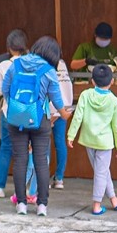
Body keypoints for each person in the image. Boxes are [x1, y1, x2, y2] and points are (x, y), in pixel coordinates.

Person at [1, 35, 65, 217]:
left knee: (20, 160)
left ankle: (21, 204)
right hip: (40, 120)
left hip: (16, 120)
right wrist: (64, 113)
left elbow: (5, 89)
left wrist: (19, 109)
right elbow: (57, 99)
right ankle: (42, 205)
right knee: (40, 161)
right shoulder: (48, 71)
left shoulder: (16, 64)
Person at [67, 64, 117, 215]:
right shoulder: (114, 101)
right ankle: (96, 205)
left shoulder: (85, 95)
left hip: (88, 140)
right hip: (105, 143)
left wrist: (71, 135)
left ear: (92, 81)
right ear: (112, 82)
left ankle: (114, 199)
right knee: (101, 173)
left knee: (101, 171)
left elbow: (77, 117)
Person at [0, 29, 28, 198]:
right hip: (27, 111)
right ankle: (24, 189)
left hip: (9, 111)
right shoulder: (32, 63)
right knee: (24, 149)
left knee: (6, 147)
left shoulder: (4, 65)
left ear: (9, 47)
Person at [50, 58, 74, 189]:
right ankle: (59, 178)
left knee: (43, 144)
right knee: (60, 144)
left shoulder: (47, 64)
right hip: (64, 108)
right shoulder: (63, 65)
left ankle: (41, 179)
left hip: (50, 109)